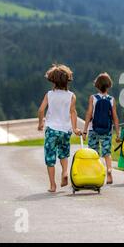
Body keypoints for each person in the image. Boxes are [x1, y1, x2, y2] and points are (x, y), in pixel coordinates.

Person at [38, 64, 81, 193]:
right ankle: (64, 172)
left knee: (50, 158)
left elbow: (41, 110)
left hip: (51, 130)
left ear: (52, 80)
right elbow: (73, 112)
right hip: (65, 131)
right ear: (67, 80)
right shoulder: (71, 96)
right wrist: (74, 128)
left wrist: (40, 123)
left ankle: (52, 185)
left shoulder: (49, 94)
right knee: (64, 154)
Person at [82, 73, 120, 185]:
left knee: (94, 153)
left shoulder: (93, 98)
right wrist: (118, 133)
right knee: (106, 152)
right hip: (107, 130)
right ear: (108, 85)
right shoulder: (111, 99)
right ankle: (109, 170)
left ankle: (96, 173)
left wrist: (84, 131)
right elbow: (115, 117)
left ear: (97, 85)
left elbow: (89, 114)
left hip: (93, 129)